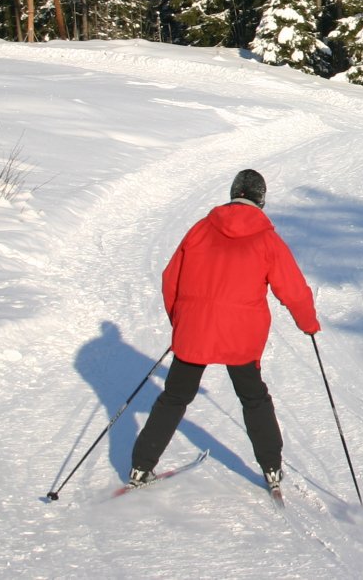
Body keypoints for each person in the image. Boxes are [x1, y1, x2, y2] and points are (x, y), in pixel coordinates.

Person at [129, 168, 319, 493]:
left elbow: (169, 279)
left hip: (195, 332)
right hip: (240, 337)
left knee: (174, 397)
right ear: (261, 199)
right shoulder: (266, 238)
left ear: (233, 194)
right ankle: (271, 468)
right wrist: (308, 323)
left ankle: (140, 467)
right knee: (253, 398)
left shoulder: (200, 230)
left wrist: (182, 321)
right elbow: (293, 289)